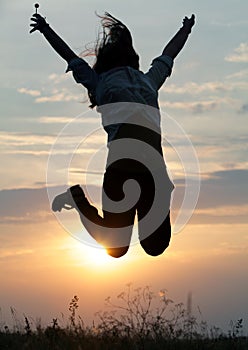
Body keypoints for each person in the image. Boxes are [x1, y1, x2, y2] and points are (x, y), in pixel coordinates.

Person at [30, 11, 195, 258]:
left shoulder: (107, 81)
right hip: (139, 172)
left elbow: (70, 57)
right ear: (132, 59)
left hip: (141, 173)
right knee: (137, 247)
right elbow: (169, 54)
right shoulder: (145, 81)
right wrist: (186, 29)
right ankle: (77, 199)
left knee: (131, 247)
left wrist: (45, 29)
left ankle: (78, 200)